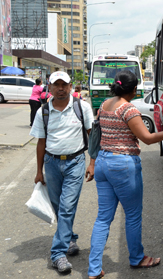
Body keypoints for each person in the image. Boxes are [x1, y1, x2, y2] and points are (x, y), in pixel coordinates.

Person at [85, 70, 163, 279]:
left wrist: (93, 162)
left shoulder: (105, 104)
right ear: (134, 89)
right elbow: (148, 138)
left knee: (103, 218)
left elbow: (97, 135)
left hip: (104, 163)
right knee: (132, 215)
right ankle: (136, 258)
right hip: (123, 165)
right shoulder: (128, 109)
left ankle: (94, 269)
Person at [29, 71, 94, 274]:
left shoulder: (81, 107)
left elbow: (93, 137)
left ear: (70, 86)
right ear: (49, 87)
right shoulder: (43, 112)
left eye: (63, 85)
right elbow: (40, 142)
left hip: (75, 162)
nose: (60, 88)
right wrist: (39, 171)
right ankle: (70, 239)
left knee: (66, 207)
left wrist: (92, 163)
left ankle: (57, 254)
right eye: (56, 85)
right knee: (59, 207)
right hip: (51, 163)